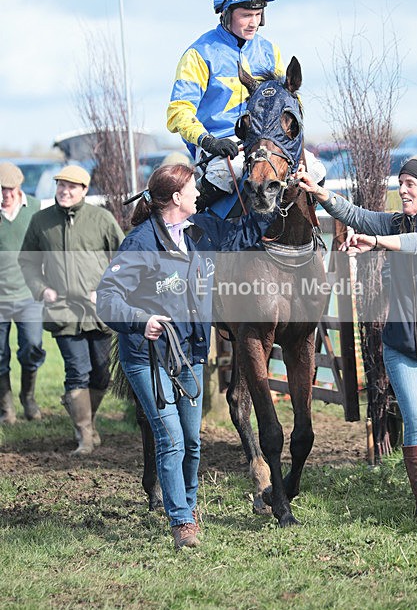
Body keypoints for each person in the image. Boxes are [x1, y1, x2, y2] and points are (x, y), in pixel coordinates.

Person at [96, 163, 279, 550]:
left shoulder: (202, 230)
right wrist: (140, 320)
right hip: (147, 357)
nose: (200, 193)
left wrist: (263, 196)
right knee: (172, 439)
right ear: (177, 197)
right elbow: (107, 299)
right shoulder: (141, 243)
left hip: (190, 354)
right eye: (194, 188)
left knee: (193, 441)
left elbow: (245, 232)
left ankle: (189, 507)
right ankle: (181, 521)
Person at [298, 158, 417, 525]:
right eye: (401, 182)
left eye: (411, 184)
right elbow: (355, 214)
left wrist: (377, 243)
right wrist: (321, 194)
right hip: (402, 347)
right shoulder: (394, 222)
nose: (403, 189)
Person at [166, 0, 325, 211]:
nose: (253, 22)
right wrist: (209, 141)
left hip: (267, 141)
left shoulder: (270, 51)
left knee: (315, 170)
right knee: (224, 174)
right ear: (226, 14)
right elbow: (179, 112)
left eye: (258, 14)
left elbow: (289, 103)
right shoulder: (199, 54)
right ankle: (187, 222)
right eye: (246, 15)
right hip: (220, 143)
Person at [19, 165, 124, 455]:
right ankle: (84, 437)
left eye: (71, 187)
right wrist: (41, 289)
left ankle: (86, 420)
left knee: (101, 374)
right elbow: (27, 261)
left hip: (97, 310)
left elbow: (124, 258)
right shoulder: (41, 221)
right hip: (62, 309)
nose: (64, 191)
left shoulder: (101, 219)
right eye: (61, 185)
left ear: (84, 190)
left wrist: (106, 289)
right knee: (77, 371)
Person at [0, 163, 46, 424]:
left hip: (29, 294)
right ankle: (6, 408)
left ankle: (28, 397)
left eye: (10, 189)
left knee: (32, 346)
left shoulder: (35, 208)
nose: (5, 194)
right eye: (1, 189)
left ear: (18, 187)